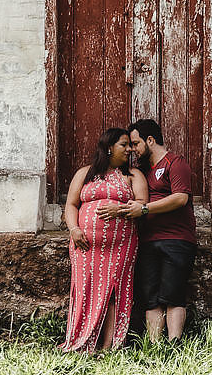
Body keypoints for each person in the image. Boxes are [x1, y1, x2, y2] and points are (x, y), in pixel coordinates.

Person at [98, 119, 197, 342]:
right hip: (147, 240)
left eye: (135, 143)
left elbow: (181, 198)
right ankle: (154, 344)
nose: (132, 150)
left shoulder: (175, 163)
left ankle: (174, 343)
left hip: (177, 239)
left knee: (173, 295)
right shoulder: (141, 170)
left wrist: (144, 209)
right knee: (151, 297)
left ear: (150, 140)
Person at [60, 128, 148, 353]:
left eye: (130, 145)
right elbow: (71, 204)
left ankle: (110, 345)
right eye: (124, 144)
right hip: (85, 245)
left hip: (120, 245)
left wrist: (119, 210)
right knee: (86, 288)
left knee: (114, 292)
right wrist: (74, 229)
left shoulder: (133, 175)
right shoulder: (85, 173)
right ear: (109, 148)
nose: (129, 149)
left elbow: (141, 204)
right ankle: (83, 339)